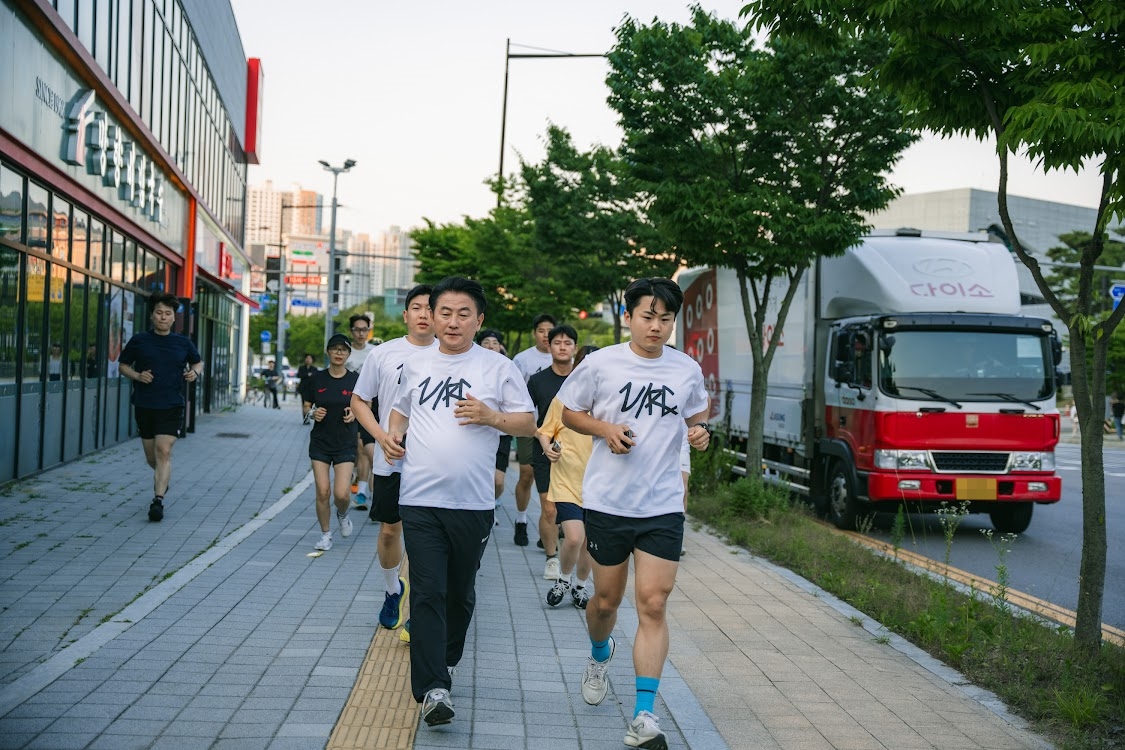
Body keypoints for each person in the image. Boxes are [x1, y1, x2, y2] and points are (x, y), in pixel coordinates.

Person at [558, 277, 710, 750]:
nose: (657, 326)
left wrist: (701, 436)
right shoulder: (601, 363)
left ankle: (645, 714)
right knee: (605, 602)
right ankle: (600, 653)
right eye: (648, 316)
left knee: (654, 603)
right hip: (608, 502)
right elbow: (568, 413)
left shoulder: (686, 370)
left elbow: (696, 421)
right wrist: (605, 429)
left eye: (665, 319)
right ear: (629, 316)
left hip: (662, 504)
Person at [382, 276, 535, 728]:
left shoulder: (496, 368)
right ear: (430, 315)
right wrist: (393, 435)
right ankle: (433, 688)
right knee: (428, 590)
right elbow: (401, 409)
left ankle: (443, 666)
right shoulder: (416, 363)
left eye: (462, 313)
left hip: (472, 503)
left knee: (460, 595)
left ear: (479, 319)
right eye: (443, 312)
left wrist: (491, 416)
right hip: (420, 498)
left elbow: (528, 423)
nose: (451, 321)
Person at [351, 284, 437, 638]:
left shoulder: (452, 356)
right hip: (392, 460)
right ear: (405, 315)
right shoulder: (383, 354)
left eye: (431, 308)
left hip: (433, 465)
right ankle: (392, 590)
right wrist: (381, 436)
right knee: (390, 531)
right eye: (416, 308)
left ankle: (420, 608)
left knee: (425, 540)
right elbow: (360, 401)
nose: (423, 314)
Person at [118, 293, 203, 522]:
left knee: (163, 451)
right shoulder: (139, 341)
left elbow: (198, 361)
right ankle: (162, 479)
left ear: (174, 318)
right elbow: (123, 365)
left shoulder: (183, 343)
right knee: (151, 457)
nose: (163, 317)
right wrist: (137, 375)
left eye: (168, 314)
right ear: (151, 315)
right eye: (159, 313)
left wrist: (194, 372)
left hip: (171, 405)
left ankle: (158, 501)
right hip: (145, 404)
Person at [537, 344, 598, 609]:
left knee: (590, 543)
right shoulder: (562, 400)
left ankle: (581, 586)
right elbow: (544, 431)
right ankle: (563, 579)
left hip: (599, 485)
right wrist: (546, 447)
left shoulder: (611, 403)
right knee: (574, 537)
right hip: (566, 481)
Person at [526, 324, 577, 577]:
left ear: (575, 348)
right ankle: (551, 557)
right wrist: (542, 438)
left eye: (568, 343)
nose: (563, 347)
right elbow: (526, 417)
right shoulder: (537, 381)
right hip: (545, 452)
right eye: (558, 343)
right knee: (549, 509)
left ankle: (573, 553)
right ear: (549, 346)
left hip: (577, 456)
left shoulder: (582, 379)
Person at [305, 334, 360, 551]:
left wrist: (354, 413)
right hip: (320, 442)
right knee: (322, 491)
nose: (339, 353)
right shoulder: (316, 378)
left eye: (343, 350)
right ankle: (326, 534)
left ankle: (343, 514)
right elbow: (306, 406)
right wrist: (312, 413)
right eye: (335, 349)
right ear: (328, 352)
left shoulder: (355, 379)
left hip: (345, 441)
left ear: (348, 354)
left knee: (342, 494)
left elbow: (365, 403)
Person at [510, 313, 556, 546]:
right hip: (531, 425)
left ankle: (550, 529)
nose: (546, 335)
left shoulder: (563, 358)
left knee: (556, 479)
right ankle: (520, 520)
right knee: (527, 474)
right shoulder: (522, 359)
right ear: (534, 333)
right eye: (541, 330)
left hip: (559, 429)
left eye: (550, 331)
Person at [345, 314, 379, 510]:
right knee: (359, 451)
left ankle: (364, 492)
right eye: (357, 329)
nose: (361, 333)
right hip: (348, 407)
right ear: (351, 331)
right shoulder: (344, 352)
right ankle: (361, 488)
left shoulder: (374, 352)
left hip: (370, 407)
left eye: (364, 330)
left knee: (365, 449)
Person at [477, 329, 510, 504]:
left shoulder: (508, 369)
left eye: (495, 343)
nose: (491, 346)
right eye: (486, 343)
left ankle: (492, 502)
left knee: (498, 481)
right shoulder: (472, 368)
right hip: (478, 433)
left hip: (502, 433)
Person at [297, 353, 318, 419]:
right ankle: (305, 418)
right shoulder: (301, 368)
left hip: (311, 388)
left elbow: (316, 377)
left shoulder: (314, 369)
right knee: (304, 403)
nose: (308, 360)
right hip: (303, 388)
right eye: (307, 358)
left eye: (310, 358)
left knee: (310, 404)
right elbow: (298, 375)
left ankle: (309, 415)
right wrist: (307, 375)